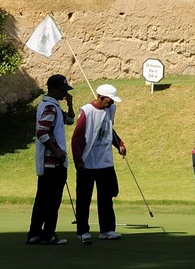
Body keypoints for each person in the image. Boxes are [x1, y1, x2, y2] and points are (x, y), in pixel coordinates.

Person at [72, 83, 126, 242]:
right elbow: (77, 138)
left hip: (105, 161)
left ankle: (107, 230)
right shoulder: (87, 111)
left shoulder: (110, 109)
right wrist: (78, 161)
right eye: (110, 100)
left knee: (106, 197)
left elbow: (109, 129)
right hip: (87, 162)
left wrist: (119, 144)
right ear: (101, 97)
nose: (112, 103)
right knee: (84, 199)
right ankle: (83, 231)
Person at [26, 74, 73, 245]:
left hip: (48, 164)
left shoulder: (52, 106)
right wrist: (57, 151)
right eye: (62, 90)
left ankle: (35, 234)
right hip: (53, 163)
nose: (64, 93)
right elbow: (42, 132)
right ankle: (48, 235)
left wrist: (70, 104)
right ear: (52, 89)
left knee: (42, 199)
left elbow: (69, 120)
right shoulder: (50, 108)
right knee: (52, 201)